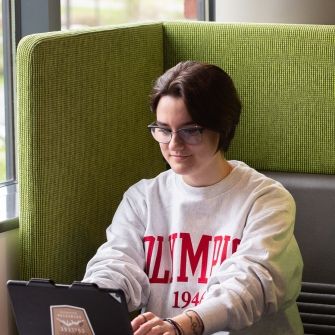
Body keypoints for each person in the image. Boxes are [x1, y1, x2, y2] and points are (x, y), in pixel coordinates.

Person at [83, 61, 303, 335]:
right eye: (163, 130)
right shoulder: (143, 198)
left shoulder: (267, 200)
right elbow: (117, 262)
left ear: (223, 127)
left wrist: (182, 325)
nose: (174, 144)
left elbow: (250, 284)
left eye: (190, 131)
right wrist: (93, 302)